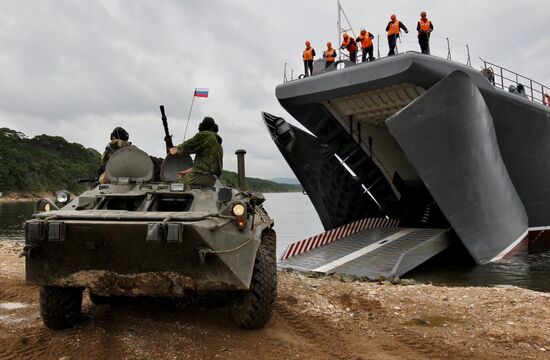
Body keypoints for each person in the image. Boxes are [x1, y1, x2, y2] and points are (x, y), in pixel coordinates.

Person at [169, 117, 223, 187]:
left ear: (202, 127)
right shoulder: (218, 144)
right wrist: (186, 171)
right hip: (211, 180)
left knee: (176, 185)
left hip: (199, 176)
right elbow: (206, 165)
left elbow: (179, 149)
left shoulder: (205, 135)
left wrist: (170, 148)